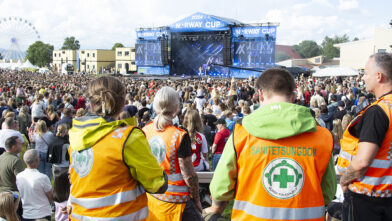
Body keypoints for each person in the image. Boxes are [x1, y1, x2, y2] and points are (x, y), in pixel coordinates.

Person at [204, 68, 336, 220]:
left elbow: (221, 188)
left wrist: (216, 207)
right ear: (293, 96)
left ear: (259, 94)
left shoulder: (241, 133)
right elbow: (328, 192)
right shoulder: (323, 136)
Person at [68, 76, 167, 220]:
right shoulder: (128, 137)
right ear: (123, 104)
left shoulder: (77, 134)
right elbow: (157, 184)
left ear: (90, 103)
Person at [338, 53, 392, 221]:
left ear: (379, 76)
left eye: (366, 73)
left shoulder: (378, 111)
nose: (363, 77)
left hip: (370, 199)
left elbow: (362, 161)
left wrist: (344, 181)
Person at [143, 86, 203, 221]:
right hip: (177, 201)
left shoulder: (145, 130)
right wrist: (197, 199)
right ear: (176, 108)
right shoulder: (179, 136)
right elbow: (189, 176)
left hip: (153, 197)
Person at [16, 149, 53, 221]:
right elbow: (50, 197)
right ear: (37, 160)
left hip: (27, 214)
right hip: (42, 214)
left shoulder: (19, 176)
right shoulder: (42, 177)